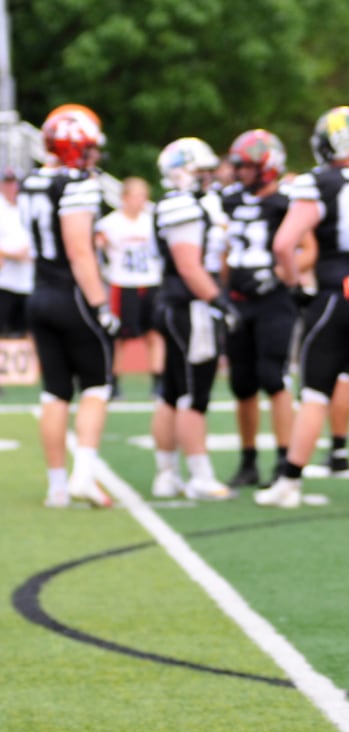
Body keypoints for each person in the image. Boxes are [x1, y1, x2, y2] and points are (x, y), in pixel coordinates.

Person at [269, 105, 349, 508]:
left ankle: (289, 482)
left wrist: (294, 285)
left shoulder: (318, 182)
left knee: (314, 393)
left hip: (336, 294)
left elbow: (282, 244)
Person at [19, 105, 119, 508]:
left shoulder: (30, 183)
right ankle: (83, 476)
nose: (94, 157)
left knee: (55, 392)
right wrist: (101, 305)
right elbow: (79, 253)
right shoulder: (78, 184)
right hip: (72, 295)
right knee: (96, 386)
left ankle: (56, 486)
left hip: (38, 292)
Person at [150, 137, 240, 501]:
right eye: (201, 173)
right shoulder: (182, 207)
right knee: (193, 394)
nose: (208, 179)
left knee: (171, 394)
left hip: (176, 303)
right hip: (190, 307)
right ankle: (200, 475)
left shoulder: (185, 204)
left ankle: (166, 474)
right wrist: (219, 301)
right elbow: (189, 266)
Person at [220, 129, 303, 488]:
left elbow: (308, 248)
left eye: (247, 167)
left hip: (273, 301)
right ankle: (248, 460)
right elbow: (224, 251)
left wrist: (282, 277)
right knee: (242, 383)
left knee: (274, 376)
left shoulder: (286, 203)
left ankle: (285, 458)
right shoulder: (230, 201)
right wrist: (223, 289)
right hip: (240, 302)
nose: (240, 173)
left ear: (266, 168)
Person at [95, 177, 164, 400]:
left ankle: (158, 382)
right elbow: (95, 249)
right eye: (136, 195)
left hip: (150, 281)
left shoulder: (151, 221)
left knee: (155, 333)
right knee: (119, 336)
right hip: (122, 283)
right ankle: (113, 382)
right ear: (124, 198)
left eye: (144, 195)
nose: (141, 201)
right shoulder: (110, 223)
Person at [0, 167, 34, 371]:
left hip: (29, 278)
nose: (11, 186)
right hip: (5, 279)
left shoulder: (28, 206)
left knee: (33, 328)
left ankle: (36, 371)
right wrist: (12, 253)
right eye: (6, 182)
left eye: (13, 182)